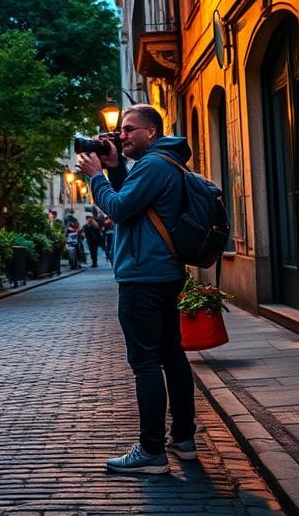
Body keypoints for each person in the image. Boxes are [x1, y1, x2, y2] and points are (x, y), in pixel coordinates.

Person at [77, 103, 196, 475]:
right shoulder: (164, 163)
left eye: (129, 129)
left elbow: (120, 207)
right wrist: (114, 168)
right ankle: (184, 439)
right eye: (121, 130)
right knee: (172, 357)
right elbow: (136, 202)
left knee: (145, 363)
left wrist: (96, 176)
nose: (121, 135)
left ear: (151, 133)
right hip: (163, 273)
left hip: (142, 277)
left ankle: (151, 451)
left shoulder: (153, 164)